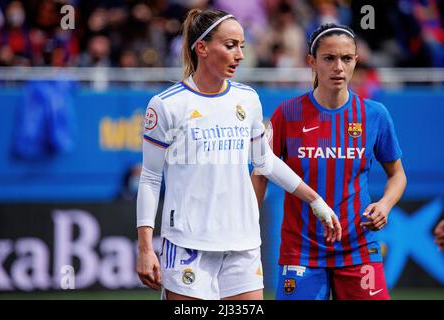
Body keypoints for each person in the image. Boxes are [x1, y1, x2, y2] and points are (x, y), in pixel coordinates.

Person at [135, 9, 341, 301]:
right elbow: (150, 178)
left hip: (242, 243)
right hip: (187, 245)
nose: (240, 55)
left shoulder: (247, 99)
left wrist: (317, 201)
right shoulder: (167, 105)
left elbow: (265, 161)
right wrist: (145, 247)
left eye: (241, 46)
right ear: (202, 48)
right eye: (230, 45)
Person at [251, 23, 407, 300]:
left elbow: (397, 175)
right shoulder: (288, 113)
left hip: (358, 248)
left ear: (356, 61)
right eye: (329, 58)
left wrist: (385, 204)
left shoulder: (375, 115)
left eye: (346, 58)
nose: (338, 67)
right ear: (311, 62)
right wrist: (247, 229)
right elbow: (262, 172)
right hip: (302, 250)